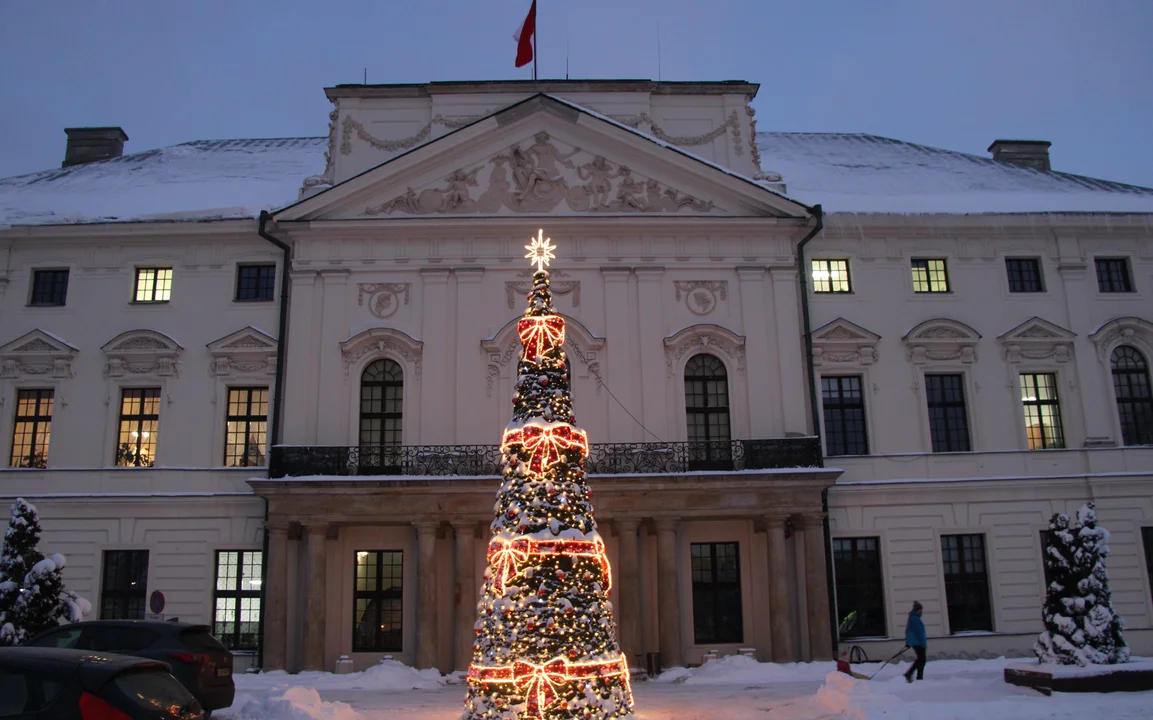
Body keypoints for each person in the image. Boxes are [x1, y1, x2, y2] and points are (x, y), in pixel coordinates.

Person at [904, 601, 927, 682]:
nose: (922, 612)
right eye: (920, 610)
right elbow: (919, 632)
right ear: (917, 610)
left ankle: (913, 674)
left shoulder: (912, 618)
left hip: (915, 642)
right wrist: (923, 643)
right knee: (922, 660)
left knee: (920, 659)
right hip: (918, 643)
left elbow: (907, 631)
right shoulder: (915, 619)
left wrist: (908, 642)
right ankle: (915, 675)